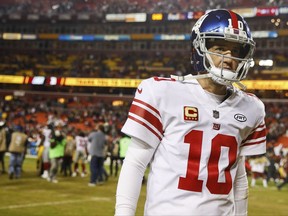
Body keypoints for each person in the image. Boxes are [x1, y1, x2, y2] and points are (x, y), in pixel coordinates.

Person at [115, 9, 267, 216]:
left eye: (236, 51)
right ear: (199, 49)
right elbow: (135, 162)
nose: (229, 58)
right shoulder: (161, 91)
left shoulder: (252, 107)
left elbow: (238, 175)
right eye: (220, 48)